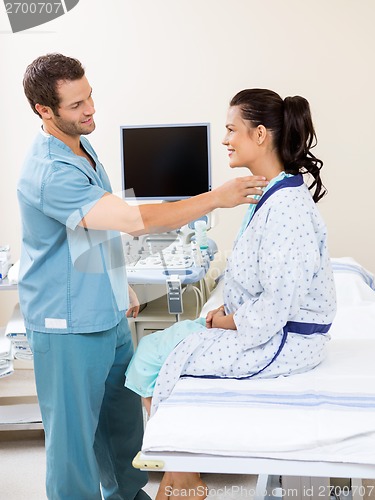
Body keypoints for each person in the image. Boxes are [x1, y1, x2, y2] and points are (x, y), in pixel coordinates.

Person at [17, 54, 267, 500]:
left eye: (89, 95)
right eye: (76, 105)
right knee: (73, 445)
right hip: (67, 325)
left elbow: (96, 225)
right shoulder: (48, 171)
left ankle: (129, 496)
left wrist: (118, 282)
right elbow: (131, 220)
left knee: (122, 431)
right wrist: (215, 198)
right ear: (45, 111)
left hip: (106, 312)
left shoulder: (82, 146)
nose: (90, 108)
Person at [124, 88, 337, 499]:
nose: (224, 139)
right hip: (268, 325)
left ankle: (182, 476)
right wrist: (230, 306)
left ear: (260, 135)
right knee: (157, 349)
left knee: (155, 355)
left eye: (231, 129)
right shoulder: (272, 194)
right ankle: (181, 473)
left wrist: (229, 320)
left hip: (285, 339)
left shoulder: (286, 206)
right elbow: (266, 279)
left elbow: (278, 301)